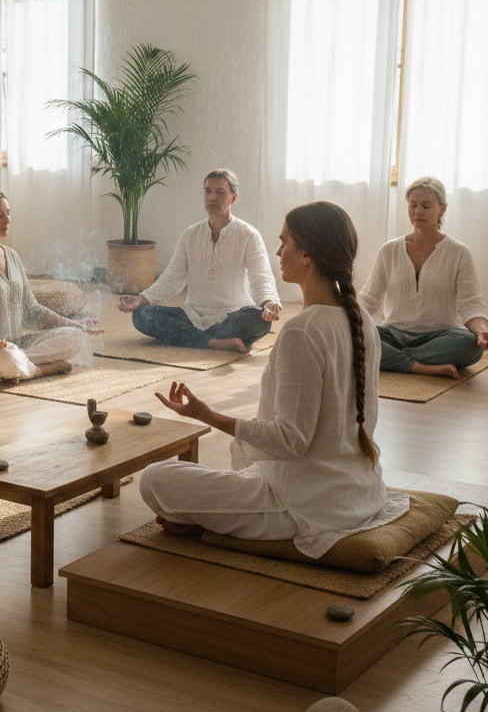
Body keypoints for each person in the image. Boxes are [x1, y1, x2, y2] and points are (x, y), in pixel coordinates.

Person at [138, 202, 408, 558]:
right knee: (241, 451)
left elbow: (289, 441)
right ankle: (219, 515)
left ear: (307, 253)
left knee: (154, 479)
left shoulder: (302, 331)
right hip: (359, 493)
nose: (279, 251)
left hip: (305, 507)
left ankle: (216, 520)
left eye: (285, 243)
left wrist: (205, 414)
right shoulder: (362, 319)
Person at [0, 190, 104, 384]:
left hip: (16, 345)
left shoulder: (12, 256)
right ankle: (38, 370)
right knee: (5, 357)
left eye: (8, 212)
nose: (8, 219)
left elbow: (32, 309)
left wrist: (74, 323)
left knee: (76, 336)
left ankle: (16, 365)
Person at [118, 169, 281, 353]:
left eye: (220, 192)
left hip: (234, 315)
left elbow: (261, 277)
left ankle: (193, 338)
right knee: (141, 315)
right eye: (207, 191)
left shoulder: (249, 235)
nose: (212, 197)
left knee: (259, 321)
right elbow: (172, 278)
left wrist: (268, 303)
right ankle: (213, 342)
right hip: (193, 315)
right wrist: (142, 299)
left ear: (233, 198)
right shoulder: (189, 235)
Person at [360, 176, 488, 379]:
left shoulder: (458, 252)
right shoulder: (389, 250)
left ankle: (392, 360)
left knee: (469, 345)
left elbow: (471, 303)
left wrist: (482, 331)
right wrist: (342, 319)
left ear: (442, 208)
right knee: (356, 338)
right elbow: (369, 298)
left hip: (441, 336)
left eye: (426, 205)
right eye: (413, 205)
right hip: (393, 333)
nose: (418, 211)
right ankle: (422, 367)